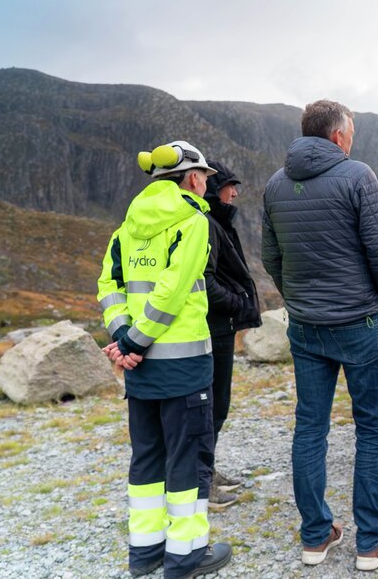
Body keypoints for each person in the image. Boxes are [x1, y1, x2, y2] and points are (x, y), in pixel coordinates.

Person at [261, 99, 378, 571]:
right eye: (352, 134)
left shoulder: (275, 184)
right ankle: (371, 540)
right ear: (338, 135)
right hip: (361, 321)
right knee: (374, 427)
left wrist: (297, 300)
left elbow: (271, 256)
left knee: (310, 427)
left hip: (306, 326)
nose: (352, 142)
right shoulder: (357, 176)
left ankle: (316, 536)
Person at [97, 140, 232, 579]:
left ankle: (145, 552)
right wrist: (133, 343)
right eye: (205, 178)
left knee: (147, 458)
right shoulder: (193, 222)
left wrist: (122, 337)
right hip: (183, 368)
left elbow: (109, 286)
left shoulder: (126, 228)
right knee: (187, 460)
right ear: (192, 178)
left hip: (140, 373)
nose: (206, 185)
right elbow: (172, 293)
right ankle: (186, 557)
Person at [202, 160, 262, 509]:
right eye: (230, 186)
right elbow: (205, 280)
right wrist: (237, 303)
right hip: (214, 326)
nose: (235, 193)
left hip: (218, 326)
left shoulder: (216, 221)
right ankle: (202, 482)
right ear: (214, 188)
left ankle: (206, 470)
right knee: (213, 405)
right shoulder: (208, 224)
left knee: (216, 404)